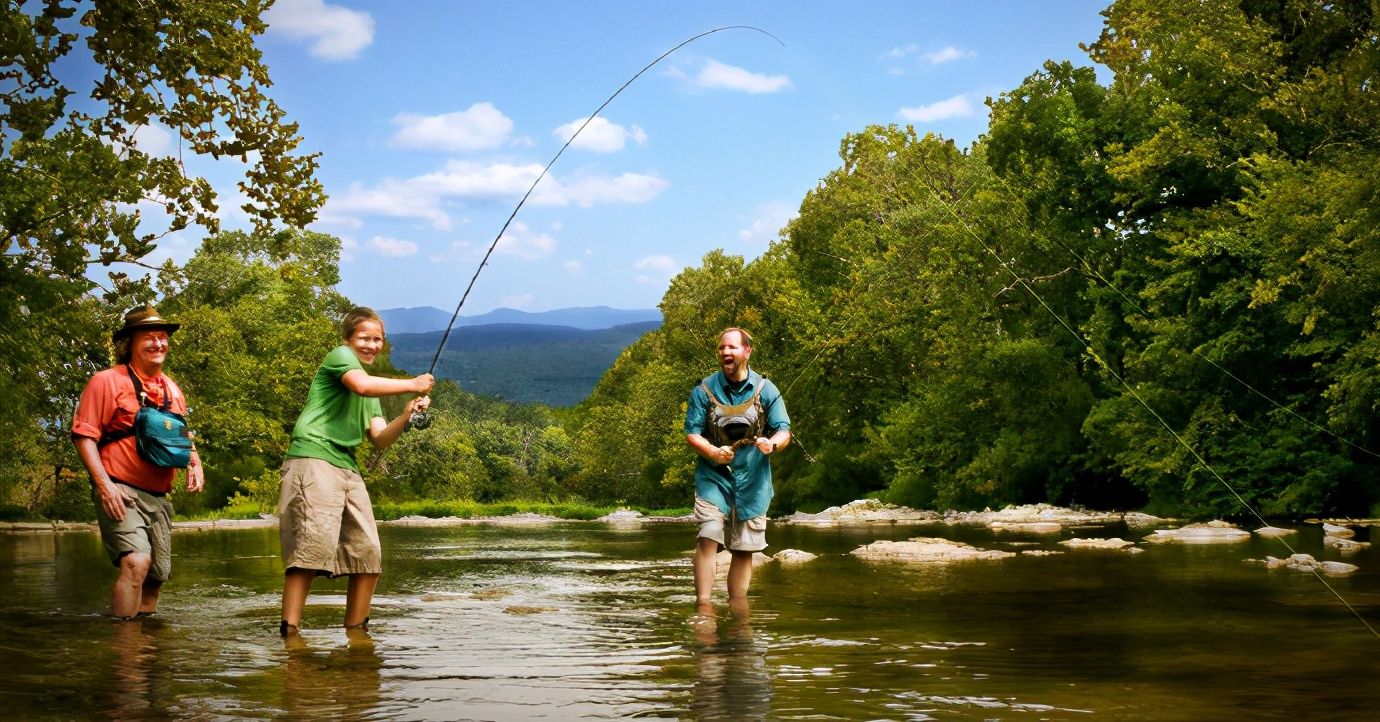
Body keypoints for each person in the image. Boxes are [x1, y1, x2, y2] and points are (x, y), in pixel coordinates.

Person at [277, 306, 433, 636]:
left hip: (346, 465)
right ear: (348, 339)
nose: (372, 345)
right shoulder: (339, 358)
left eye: (378, 340)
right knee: (309, 551)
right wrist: (412, 383)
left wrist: (406, 414)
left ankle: (357, 634)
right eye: (365, 338)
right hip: (312, 457)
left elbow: (379, 439)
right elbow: (360, 385)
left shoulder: (370, 390)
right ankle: (289, 632)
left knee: (368, 554)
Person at [72, 305, 205, 619]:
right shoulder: (105, 382)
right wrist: (105, 487)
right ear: (128, 344)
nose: (158, 344)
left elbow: (181, 432)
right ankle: (125, 652)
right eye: (149, 338)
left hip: (158, 496)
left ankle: (145, 643)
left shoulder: (173, 389)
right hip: (120, 489)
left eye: (162, 337)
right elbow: (83, 436)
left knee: (157, 575)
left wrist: (194, 460)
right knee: (136, 563)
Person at [684, 327, 790, 614]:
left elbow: (784, 430)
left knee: (743, 549)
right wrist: (713, 452)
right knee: (708, 533)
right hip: (712, 476)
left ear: (747, 351)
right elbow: (692, 433)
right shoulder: (703, 390)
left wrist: (773, 445)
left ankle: (738, 616)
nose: (725, 353)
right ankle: (704, 611)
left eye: (731, 347)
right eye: (721, 348)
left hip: (754, 479)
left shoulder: (766, 389)